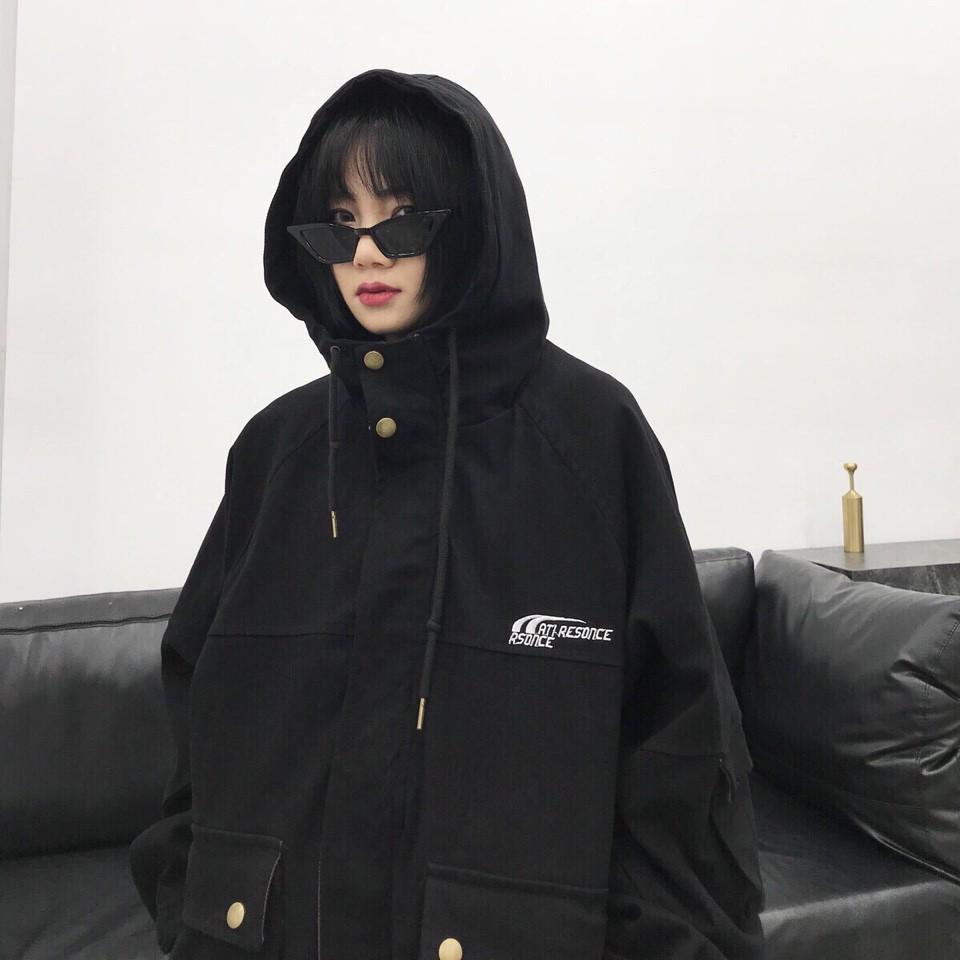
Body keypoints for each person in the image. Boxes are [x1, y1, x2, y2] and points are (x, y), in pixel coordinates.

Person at [129, 67, 765, 960]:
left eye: (401, 219)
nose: (367, 254)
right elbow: (197, 713)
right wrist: (192, 908)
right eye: (339, 223)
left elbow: (683, 756)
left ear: (469, 225)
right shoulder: (276, 452)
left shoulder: (591, 440)